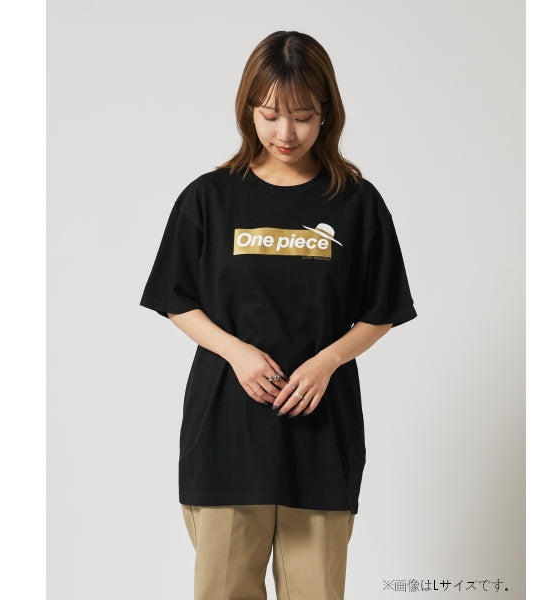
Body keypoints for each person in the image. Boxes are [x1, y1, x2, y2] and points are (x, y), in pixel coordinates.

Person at [139, 30, 417, 600]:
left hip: (321, 434)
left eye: (302, 116)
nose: (285, 133)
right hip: (226, 432)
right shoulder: (210, 198)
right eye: (270, 115)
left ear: (327, 114)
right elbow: (175, 298)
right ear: (248, 111)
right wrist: (236, 353)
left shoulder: (356, 202)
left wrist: (326, 363)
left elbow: (382, 309)